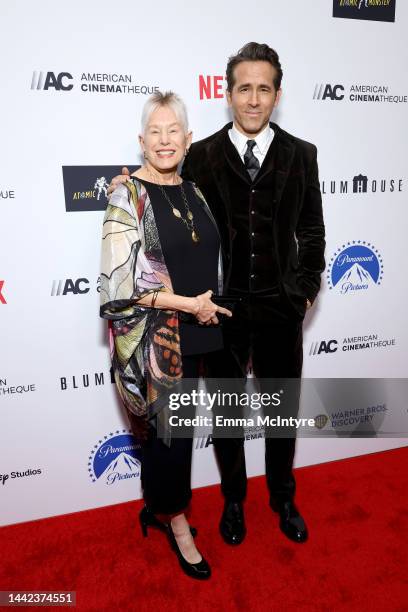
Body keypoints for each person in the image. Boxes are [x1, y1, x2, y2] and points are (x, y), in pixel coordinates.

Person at [109, 42, 325, 547]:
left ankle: (283, 496)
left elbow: (312, 233)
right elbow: (164, 190)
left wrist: (304, 293)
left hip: (280, 309)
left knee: (280, 411)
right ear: (228, 94)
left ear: (277, 95)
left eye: (263, 89)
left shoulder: (302, 154)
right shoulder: (201, 153)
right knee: (228, 416)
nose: (253, 99)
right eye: (244, 88)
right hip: (218, 313)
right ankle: (234, 501)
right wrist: (127, 185)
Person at [100, 91, 232, 580]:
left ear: (188, 138)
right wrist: (188, 304)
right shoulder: (126, 195)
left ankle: (156, 505)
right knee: (170, 439)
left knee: (171, 436)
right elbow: (121, 287)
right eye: (154, 131)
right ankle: (176, 523)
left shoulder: (193, 191)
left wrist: (207, 307)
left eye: (172, 129)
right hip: (158, 343)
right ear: (141, 141)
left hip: (200, 333)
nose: (164, 139)